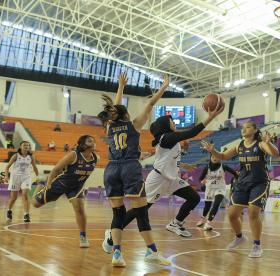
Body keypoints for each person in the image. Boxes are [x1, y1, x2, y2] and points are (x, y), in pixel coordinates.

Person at [106, 107, 222, 239]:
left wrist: (183, 165)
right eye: (172, 121)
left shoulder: (169, 139)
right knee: (140, 210)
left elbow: (169, 158)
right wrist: (210, 117)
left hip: (171, 179)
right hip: (158, 179)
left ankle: (175, 223)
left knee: (194, 198)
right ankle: (113, 231)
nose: (174, 123)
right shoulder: (166, 138)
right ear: (165, 125)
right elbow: (192, 133)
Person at [98, 73, 171, 267]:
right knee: (141, 213)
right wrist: (163, 87)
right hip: (129, 167)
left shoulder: (110, 127)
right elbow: (151, 103)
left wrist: (120, 87)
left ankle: (117, 255)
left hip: (111, 169)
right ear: (126, 115)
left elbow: (115, 107)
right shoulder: (134, 125)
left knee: (118, 215)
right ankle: (151, 251)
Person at [201, 123, 280, 258]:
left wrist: (269, 143)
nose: (244, 129)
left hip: (259, 183)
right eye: (243, 127)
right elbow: (223, 156)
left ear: (255, 130)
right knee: (232, 214)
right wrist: (212, 151)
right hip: (243, 183)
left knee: (253, 213)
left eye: (248, 127)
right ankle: (239, 237)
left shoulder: (260, 144)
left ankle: (256, 245)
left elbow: (275, 154)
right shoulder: (240, 145)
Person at [32, 135, 98, 248]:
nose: (93, 142)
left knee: (80, 208)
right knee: (35, 204)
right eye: (90, 141)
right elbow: (56, 169)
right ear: (83, 144)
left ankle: (83, 236)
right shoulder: (74, 155)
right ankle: (41, 184)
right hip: (60, 184)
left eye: (94, 140)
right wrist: (48, 184)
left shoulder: (96, 158)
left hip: (76, 187)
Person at [196, 155, 239, 231]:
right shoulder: (207, 168)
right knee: (207, 206)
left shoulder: (224, 166)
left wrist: (239, 179)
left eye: (216, 157)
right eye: (213, 157)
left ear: (219, 158)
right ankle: (202, 219)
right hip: (209, 189)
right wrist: (202, 181)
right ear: (211, 158)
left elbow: (235, 173)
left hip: (220, 188)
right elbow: (200, 178)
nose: (215, 158)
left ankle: (208, 224)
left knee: (216, 204)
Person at [5, 141, 39, 223]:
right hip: (15, 177)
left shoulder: (31, 157)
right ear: (20, 147)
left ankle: (26, 214)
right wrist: (6, 176)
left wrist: (37, 177)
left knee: (25, 194)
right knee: (14, 198)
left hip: (26, 177)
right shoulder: (15, 156)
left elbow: (35, 167)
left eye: (27, 145)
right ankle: (9, 210)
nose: (26, 146)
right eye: (24, 145)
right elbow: (7, 167)